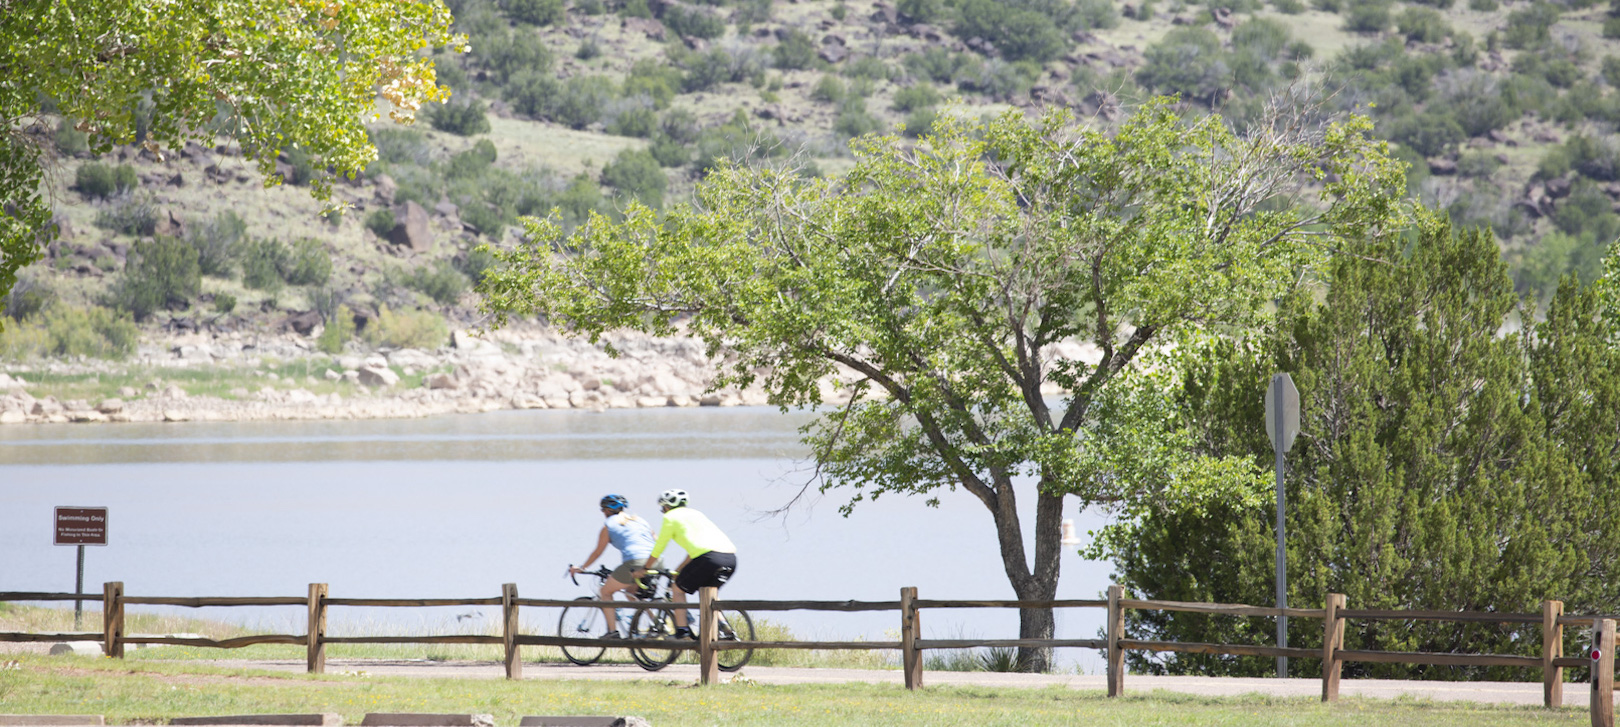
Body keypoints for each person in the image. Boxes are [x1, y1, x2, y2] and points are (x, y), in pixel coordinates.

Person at [639, 488, 737, 638]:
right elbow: (696, 550)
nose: (663, 511)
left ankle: (682, 630)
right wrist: (678, 569)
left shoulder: (670, 518)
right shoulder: (697, 514)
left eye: (662, 508)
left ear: (666, 506)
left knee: (677, 589)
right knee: (708, 593)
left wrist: (645, 568)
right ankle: (724, 626)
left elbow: (659, 547)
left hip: (708, 558)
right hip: (730, 558)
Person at [568, 494, 656, 639]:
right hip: (655, 561)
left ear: (607, 510)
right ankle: (656, 623)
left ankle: (612, 632)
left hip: (635, 562)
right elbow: (656, 540)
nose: (603, 513)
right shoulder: (640, 520)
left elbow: (597, 552)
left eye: (603, 510)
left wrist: (582, 567)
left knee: (605, 592)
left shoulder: (608, 525)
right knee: (632, 593)